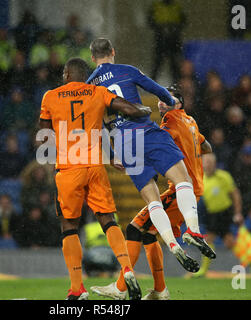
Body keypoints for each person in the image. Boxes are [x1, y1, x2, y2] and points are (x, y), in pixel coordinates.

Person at [87, 38, 214, 273]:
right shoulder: (127, 71)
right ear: (113, 52)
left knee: (152, 201)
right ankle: (193, 230)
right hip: (145, 131)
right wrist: (170, 101)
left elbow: (95, 125)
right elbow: (157, 90)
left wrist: (112, 153)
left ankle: (173, 244)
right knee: (182, 181)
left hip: (123, 144)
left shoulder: (90, 86)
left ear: (92, 58)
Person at [39, 57, 151, 300]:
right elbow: (129, 109)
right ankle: (127, 269)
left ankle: (77, 289)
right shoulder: (98, 92)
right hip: (95, 166)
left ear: (68, 74)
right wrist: (145, 110)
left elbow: (43, 136)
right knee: (108, 220)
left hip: (69, 168)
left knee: (69, 226)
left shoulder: (50, 96)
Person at [91, 87, 213, 300]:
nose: (161, 103)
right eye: (160, 99)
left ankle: (120, 288)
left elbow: (155, 147)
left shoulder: (168, 124)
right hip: (193, 189)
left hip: (180, 191)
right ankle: (160, 290)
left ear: (179, 104)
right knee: (148, 233)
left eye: (168, 100)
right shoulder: (191, 122)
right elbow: (207, 147)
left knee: (135, 228)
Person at [191, 153, 243, 278]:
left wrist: (238, 212)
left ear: (215, 164)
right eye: (206, 162)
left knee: (215, 241)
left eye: (210, 162)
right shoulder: (201, 178)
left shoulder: (224, 176)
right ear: (202, 164)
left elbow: (235, 195)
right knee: (221, 241)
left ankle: (203, 270)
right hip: (212, 214)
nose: (208, 165)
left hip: (224, 212)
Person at [147, 0, 186, 81]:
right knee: (158, 63)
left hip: (174, 39)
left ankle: (176, 83)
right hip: (160, 38)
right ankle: (152, 83)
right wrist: (160, 28)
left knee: (174, 64)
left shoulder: (176, 6)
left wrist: (174, 28)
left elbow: (183, 21)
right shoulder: (156, 6)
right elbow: (150, 21)